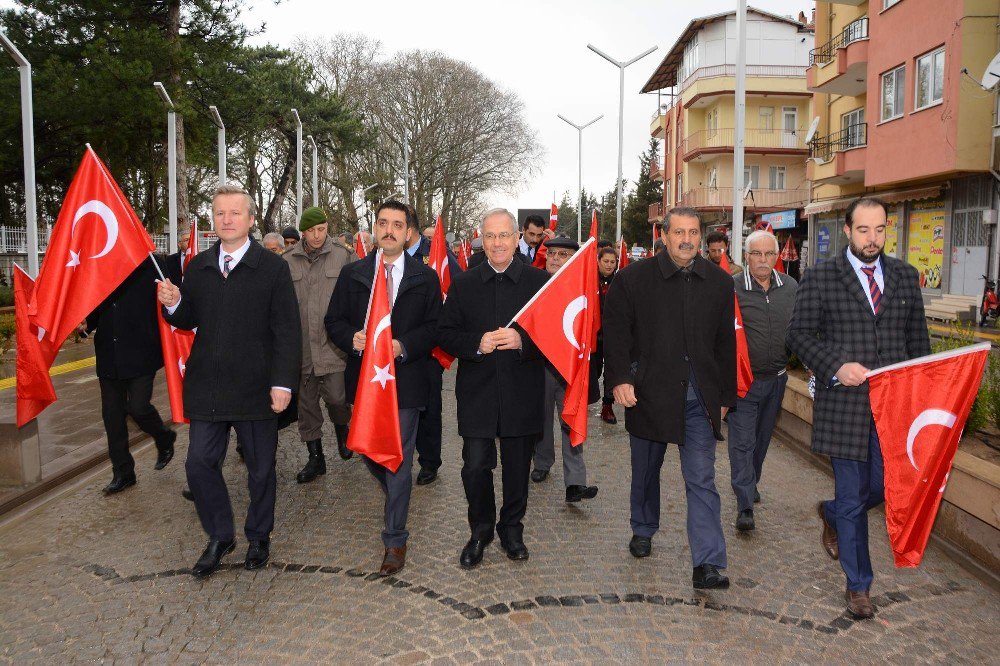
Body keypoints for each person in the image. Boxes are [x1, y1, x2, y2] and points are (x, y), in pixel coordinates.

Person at [786, 197, 930, 620]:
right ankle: (858, 585)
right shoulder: (822, 277)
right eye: (864, 230)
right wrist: (836, 365)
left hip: (892, 409)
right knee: (853, 496)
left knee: (884, 488)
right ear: (847, 230)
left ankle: (829, 514)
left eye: (880, 230)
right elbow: (799, 335)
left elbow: (918, 343)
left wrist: (921, 398)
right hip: (845, 406)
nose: (873, 239)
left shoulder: (905, 276)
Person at [157, 184, 301, 579]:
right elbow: (188, 317)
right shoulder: (200, 266)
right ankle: (220, 535)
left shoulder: (272, 268)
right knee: (199, 464)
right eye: (219, 213)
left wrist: (283, 384)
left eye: (235, 213)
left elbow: (287, 329)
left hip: (257, 387)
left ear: (251, 220)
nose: (226, 219)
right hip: (209, 386)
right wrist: (173, 303)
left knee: (260, 469)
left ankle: (258, 535)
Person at [604, 206, 736, 590]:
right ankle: (643, 527)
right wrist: (620, 380)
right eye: (679, 232)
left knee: (702, 479)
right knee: (646, 471)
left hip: (699, 400)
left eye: (693, 232)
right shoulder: (632, 280)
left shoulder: (719, 283)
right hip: (648, 394)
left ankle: (707, 562)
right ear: (663, 235)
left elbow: (725, 344)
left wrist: (725, 395)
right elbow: (616, 335)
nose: (687, 239)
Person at [325, 199, 442, 575]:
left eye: (397, 224)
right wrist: (351, 338)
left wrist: (403, 345)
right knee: (368, 451)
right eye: (382, 222)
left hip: (405, 383)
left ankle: (395, 539)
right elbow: (333, 321)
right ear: (374, 228)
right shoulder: (354, 273)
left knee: (398, 461)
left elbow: (434, 328)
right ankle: (394, 491)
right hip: (363, 381)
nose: (388, 230)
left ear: (409, 233)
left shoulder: (425, 278)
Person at [438, 208, 548, 569]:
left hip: (521, 390)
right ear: (481, 241)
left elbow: (554, 337)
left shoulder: (537, 283)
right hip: (478, 392)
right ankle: (481, 528)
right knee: (474, 467)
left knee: (518, 466)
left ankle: (511, 529)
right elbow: (446, 332)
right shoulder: (465, 283)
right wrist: (476, 343)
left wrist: (522, 341)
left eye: (504, 235)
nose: (498, 243)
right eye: (490, 236)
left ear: (517, 239)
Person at [85, 258, 177, 495]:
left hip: (141, 353)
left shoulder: (152, 265)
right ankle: (123, 473)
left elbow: (170, 300)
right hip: (109, 354)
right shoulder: (100, 264)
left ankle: (163, 436)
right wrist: (87, 323)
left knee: (138, 407)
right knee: (112, 417)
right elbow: (96, 305)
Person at [728, 230, 797, 532]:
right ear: (746, 256)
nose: (763, 260)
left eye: (769, 254)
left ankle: (750, 481)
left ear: (776, 256)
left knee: (761, 440)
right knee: (742, 442)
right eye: (756, 253)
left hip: (777, 380)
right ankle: (744, 504)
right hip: (743, 381)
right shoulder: (731, 289)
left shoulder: (791, 287)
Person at [284, 206, 355, 482]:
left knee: (338, 397)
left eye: (322, 229)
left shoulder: (344, 255)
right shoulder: (287, 260)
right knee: (307, 406)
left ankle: (342, 429)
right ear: (303, 231)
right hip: (301, 347)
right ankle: (316, 458)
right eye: (312, 230)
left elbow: (359, 295)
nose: (317, 236)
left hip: (333, 344)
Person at [529, 236, 599, 502]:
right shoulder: (533, 284)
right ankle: (542, 463)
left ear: (574, 259)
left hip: (572, 368)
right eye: (552, 254)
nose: (556, 259)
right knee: (542, 419)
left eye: (563, 255)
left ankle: (575, 482)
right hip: (541, 366)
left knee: (571, 420)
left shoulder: (582, 287)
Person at [595, 245, 618, 424]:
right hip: (593, 334)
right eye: (606, 261)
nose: (609, 265)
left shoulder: (620, 282)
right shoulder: (588, 280)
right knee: (594, 371)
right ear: (598, 261)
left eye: (613, 261)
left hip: (613, 334)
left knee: (611, 371)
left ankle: (607, 406)